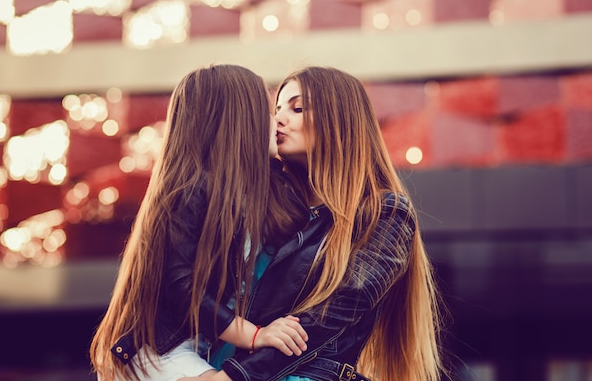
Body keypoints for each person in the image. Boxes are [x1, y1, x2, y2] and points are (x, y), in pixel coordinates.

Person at [184, 66, 444, 381]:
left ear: (340, 119)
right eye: (276, 109)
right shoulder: (264, 209)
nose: (278, 119)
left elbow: (326, 319)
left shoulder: (384, 213)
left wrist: (233, 377)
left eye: (298, 108)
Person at [89, 64, 311, 381]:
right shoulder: (188, 191)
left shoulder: (263, 189)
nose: (276, 121)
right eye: (267, 110)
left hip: (203, 348)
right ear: (239, 121)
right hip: (159, 349)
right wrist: (254, 335)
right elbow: (182, 287)